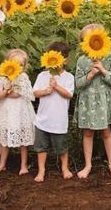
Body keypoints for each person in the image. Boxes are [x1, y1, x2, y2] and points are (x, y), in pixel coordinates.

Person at [74, 24, 111, 179]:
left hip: (104, 101)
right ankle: (88, 165)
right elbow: (78, 84)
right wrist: (90, 75)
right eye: (87, 40)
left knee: (106, 132)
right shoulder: (82, 60)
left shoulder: (110, 56)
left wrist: (102, 70)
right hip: (87, 101)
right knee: (87, 133)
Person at [33, 42, 75, 182]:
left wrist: (56, 86)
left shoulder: (68, 77)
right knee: (41, 147)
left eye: (60, 58)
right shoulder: (42, 76)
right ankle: (41, 170)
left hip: (59, 120)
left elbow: (69, 94)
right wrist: (45, 91)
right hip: (42, 119)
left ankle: (65, 168)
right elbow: (35, 93)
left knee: (61, 147)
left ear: (66, 60)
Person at [0, 49, 35, 176]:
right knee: (5, 140)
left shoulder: (23, 77)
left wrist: (7, 92)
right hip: (7, 113)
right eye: (15, 64)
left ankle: (23, 165)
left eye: (21, 65)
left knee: (23, 141)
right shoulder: (2, 79)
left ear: (24, 67)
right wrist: (5, 91)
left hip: (20, 113)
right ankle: (2, 164)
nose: (18, 68)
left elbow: (17, 94)